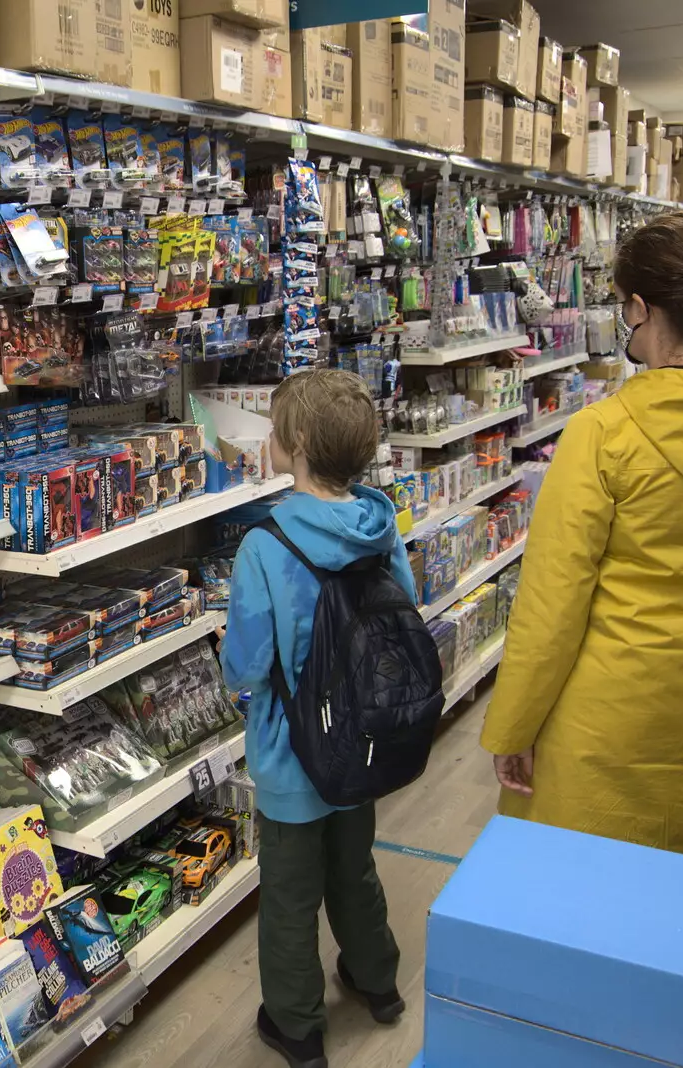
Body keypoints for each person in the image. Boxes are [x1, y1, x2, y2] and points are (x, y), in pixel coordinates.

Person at [482, 211, 683, 864]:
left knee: (596, 912)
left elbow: (552, 606)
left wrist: (512, 727)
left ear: (639, 308)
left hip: (612, 725)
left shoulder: (605, 434)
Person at [221, 369, 412, 1068]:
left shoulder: (265, 547)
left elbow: (245, 666)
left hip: (291, 754)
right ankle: (378, 981)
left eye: (273, 427)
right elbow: (403, 606)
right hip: (362, 745)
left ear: (295, 443)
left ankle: (297, 1025)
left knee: (291, 895)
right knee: (354, 869)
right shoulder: (380, 521)